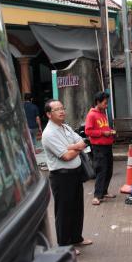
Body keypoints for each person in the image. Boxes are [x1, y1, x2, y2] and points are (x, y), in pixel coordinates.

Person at [42, 100, 92, 253]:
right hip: (61, 177)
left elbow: (82, 142)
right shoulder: (49, 133)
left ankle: (76, 238)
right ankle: (65, 246)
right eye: (57, 109)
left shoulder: (66, 127)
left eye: (62, 108)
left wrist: (72, 146)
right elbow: (66, 157)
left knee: (77, 208)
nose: (62, 111)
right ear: (49, 114)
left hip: (75, 174)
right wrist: (74, 147)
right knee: (64, 211)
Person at [85, 91, 117, 206]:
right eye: (105, 103)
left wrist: (110, 132)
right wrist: (104, 133)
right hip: (99, 147)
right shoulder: (92, 114)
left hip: (107, 145)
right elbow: (88, 131)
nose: (106, 105)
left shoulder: (103, 113)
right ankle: (97, 196)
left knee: (109, 170)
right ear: (98, 102)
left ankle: (104, 192)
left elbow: (104, 128)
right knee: (101, 170)